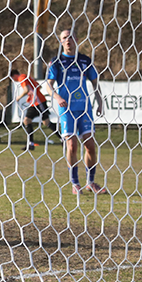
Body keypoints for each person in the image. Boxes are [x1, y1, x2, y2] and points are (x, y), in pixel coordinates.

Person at [46, 28, 107, 195]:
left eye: (71, 37)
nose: (68, 40)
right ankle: (75, 183)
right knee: (72, 145)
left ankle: (90, 182)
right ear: (60, 41)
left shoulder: (85, 60)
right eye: (64, 38)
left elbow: (95, 83)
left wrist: (100, 102)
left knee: (90, 146)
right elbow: (49, 84)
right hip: (67, 109)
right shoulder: (56, 62)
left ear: (76, 40)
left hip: (84, 108)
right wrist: (57, 97)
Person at [10, 68, 57, 151]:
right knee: (27, 120)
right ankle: (30, 144)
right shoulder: (27, 77)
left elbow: (26, 89)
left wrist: (19, 97)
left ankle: (63, 138)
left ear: (14, 76)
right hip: (35, 102)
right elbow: (39, 86)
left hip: (39, 102)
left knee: (46, 122)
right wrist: (30, 95)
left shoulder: (21, 78)